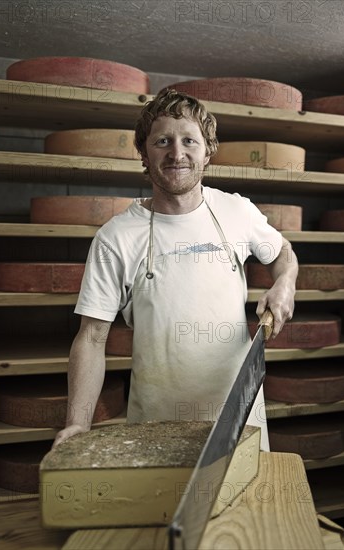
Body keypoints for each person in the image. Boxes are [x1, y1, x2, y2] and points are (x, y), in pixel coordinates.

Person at [53, 89, 298, 450]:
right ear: (144, 152)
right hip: (156, 422)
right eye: (163, 141)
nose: (177, 153)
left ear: (207, 150)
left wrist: (285, 283)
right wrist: (77, 423)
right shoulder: (116, 237)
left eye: (189, 141)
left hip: (238, 416)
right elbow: (91, 337)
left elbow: (282, 252)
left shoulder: (237, 212)